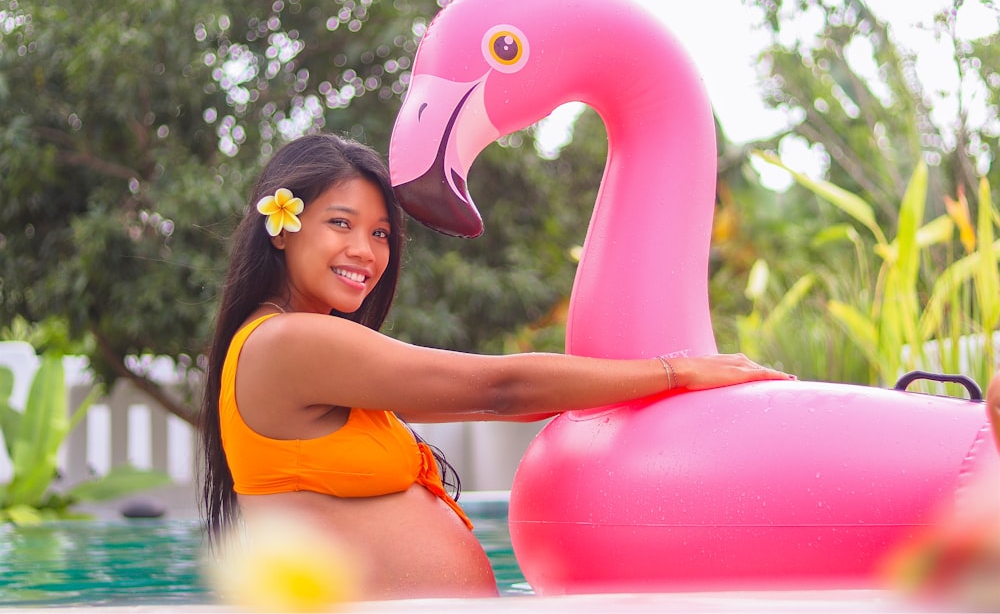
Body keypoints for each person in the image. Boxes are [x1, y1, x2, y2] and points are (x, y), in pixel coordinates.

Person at [198, 132, 794, 600]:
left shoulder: (304, 349)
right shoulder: (289, 343)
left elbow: (509, 404)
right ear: (282, 228)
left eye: (381, 233)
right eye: (341, 223)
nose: (365, 250)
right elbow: (502, 388)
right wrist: (675, 371)